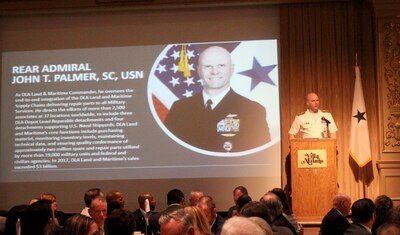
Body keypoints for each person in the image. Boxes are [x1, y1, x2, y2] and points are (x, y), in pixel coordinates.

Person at [164, 45, 271, 152]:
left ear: (231, 69)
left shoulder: (252, 110)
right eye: (207, 66)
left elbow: (261, 156)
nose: (214, 71)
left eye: (221, 65)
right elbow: (165, 150)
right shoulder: (180, 109)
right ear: (198, 71)